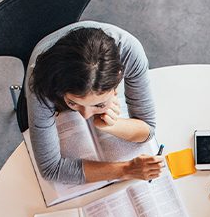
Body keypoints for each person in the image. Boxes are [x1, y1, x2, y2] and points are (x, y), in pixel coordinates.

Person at [27, 22, 164, 184]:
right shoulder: (41, 84)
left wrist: (111, 125)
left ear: (117, 81)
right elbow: (51, 169)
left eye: (98, 105)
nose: (86, 116)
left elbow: (147, 130)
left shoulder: (130, 51)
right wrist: (126, 169)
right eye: (72, 102)